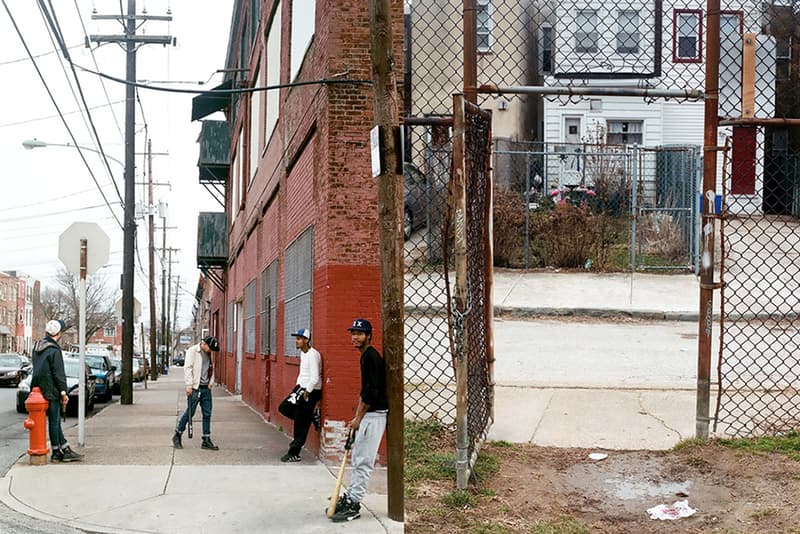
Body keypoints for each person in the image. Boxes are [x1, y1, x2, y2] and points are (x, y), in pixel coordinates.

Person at [331, 318, 388, 523]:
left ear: (369, 336)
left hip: (375, 415)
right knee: (357, 459)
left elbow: (371, 393)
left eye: (360, 333)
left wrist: (359, 418)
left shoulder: (370, 357)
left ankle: (354, 504)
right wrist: (357, 416)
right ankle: (351, 496)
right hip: (369, 415)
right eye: (353, 333)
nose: (355, 337)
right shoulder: (365, 356)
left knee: (363, 461)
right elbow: (365, 391)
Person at [30, 320, 83, 463]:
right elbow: (58, 372)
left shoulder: (37, 347)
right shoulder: (54, 350)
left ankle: (63, 448)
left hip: (38, 387)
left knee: (54, 421)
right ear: (58, 334)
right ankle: (57, 452)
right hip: (52, 388)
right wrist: (63, 392)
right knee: (55, 420)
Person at [281, 327, 322, 463]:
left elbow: (315, 377)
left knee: (300, 424)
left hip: (310, 391)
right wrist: (297, 386)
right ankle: (310, 416)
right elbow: (303, 373)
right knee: (284, 407)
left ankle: (294, 453)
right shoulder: (303, 354)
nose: (296, 341)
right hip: (301, 388)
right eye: (296, 339)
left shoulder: (313, 355)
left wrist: (307, 391)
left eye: (299, 339)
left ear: (306, 340)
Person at [172, 336, 220, 451]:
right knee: (190, 412)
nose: (210, 351)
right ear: (203, 344)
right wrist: (189, 385)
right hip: (195, 388)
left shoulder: (210, 354)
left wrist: (211, 382)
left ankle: (206, 439)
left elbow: (213, 368)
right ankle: (177, 434)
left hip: (206, 388)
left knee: (207, 413)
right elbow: (187, 368)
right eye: (210, 348)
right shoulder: (193, 351)